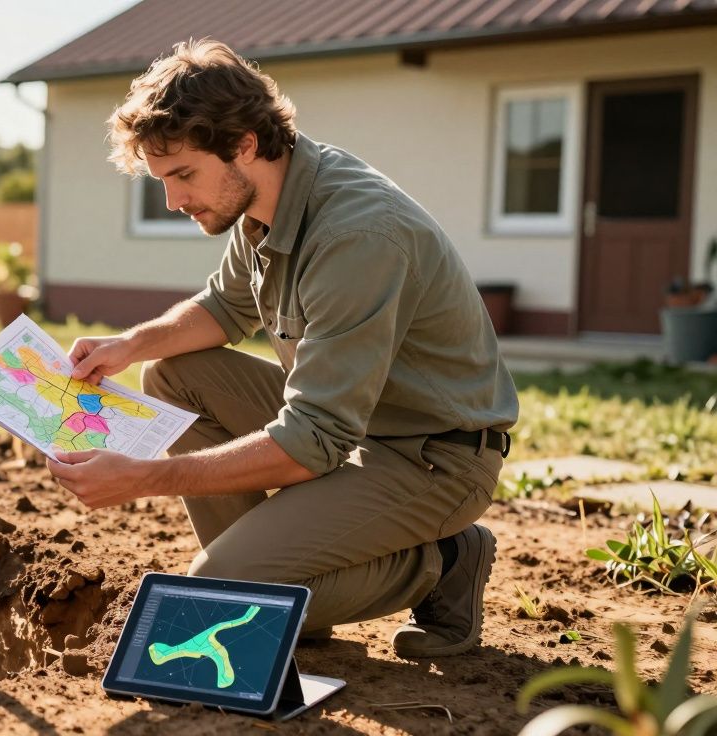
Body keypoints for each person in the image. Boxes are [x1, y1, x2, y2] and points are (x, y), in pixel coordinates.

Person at [44, 39, 518, 658]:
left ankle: (446, 560)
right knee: (171, 374)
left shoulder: (355, 234)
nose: (173, 201)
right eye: (163, 180)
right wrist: (129, 345)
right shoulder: (267, 199)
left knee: (217, 595)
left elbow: (312, 439)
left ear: (244, 143)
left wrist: (145, 477)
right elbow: (223, 308)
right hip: (356, 428)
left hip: (432, 457)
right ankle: (279, 576)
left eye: (183, 175)